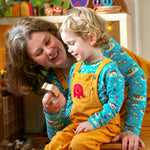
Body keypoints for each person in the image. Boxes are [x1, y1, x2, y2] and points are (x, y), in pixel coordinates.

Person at [5, 11, 149, 150]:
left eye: (47, 41)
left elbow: (136, 79)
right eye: (39, 52)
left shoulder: (96, 45)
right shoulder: (55, 80)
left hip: (141, 108)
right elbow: (60, 136)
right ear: (33, 62)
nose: (49, 50)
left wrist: (131, 129)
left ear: (52, 33)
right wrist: (53, 113)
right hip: (100, 125)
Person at [44, 7, 125, 150]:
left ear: (91, 38)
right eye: (67, 44)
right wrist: (67, 113)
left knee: (79, 144)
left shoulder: (109, 70)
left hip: (105, 125)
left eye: (72, 43)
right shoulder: (76, 68)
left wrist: (93, 123)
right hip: (78, 124)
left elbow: (114, 105)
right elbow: (72, 98)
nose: (68, 49)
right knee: (55, 143)